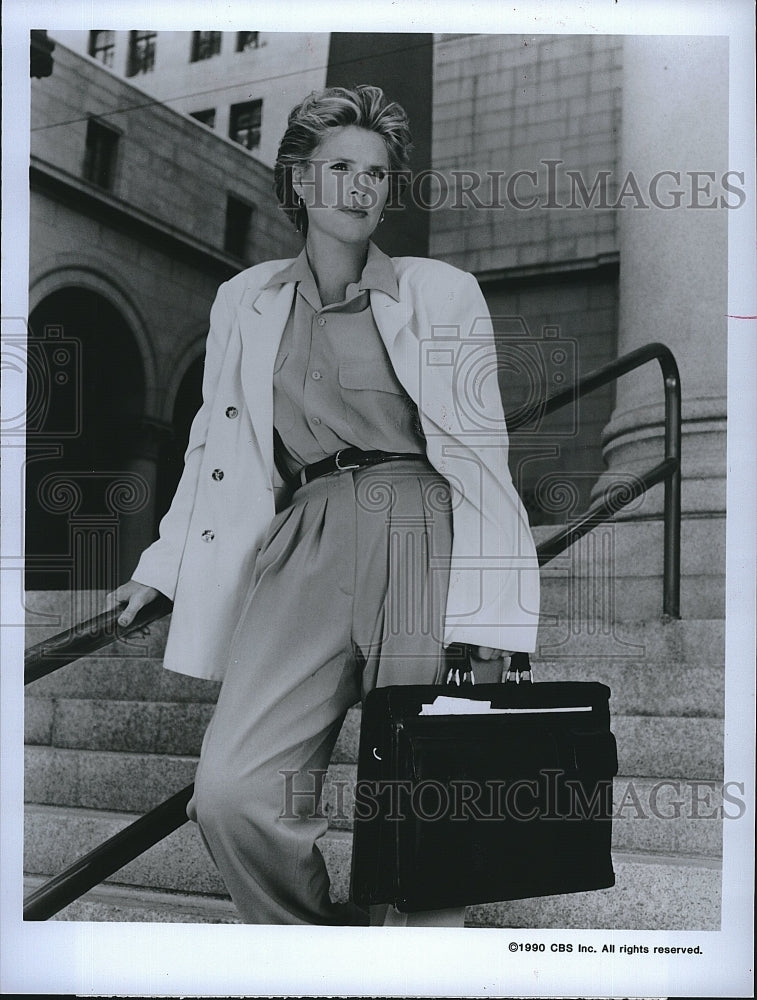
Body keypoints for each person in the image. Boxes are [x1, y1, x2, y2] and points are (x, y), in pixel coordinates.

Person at [107, 85, 540, 926]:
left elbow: (484, 452)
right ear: (298, 181)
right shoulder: (246, 298)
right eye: (339, 166)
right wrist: (161, 568)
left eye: (376, 173)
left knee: (427, 793)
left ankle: (406, 974)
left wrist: (491, 614)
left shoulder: (439, 291)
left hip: (424, 529)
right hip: (303, 535)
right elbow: (212, 448)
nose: (360, 186)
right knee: (231, 790)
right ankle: (311, 949)